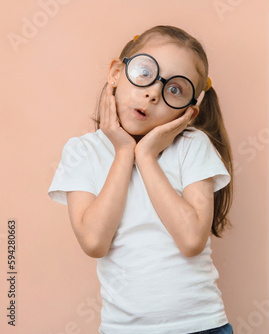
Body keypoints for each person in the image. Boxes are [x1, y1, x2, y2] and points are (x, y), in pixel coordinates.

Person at [47, 25, 234, 334]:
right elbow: (94, 242)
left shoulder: (192, 146)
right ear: (116, 73)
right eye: (145, 72)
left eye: (175, 89)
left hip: (201, 327)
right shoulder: (82, 151)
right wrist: (124, 152)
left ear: (189, 110)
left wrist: (146, 157)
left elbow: (191, 240)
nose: (153, 93)